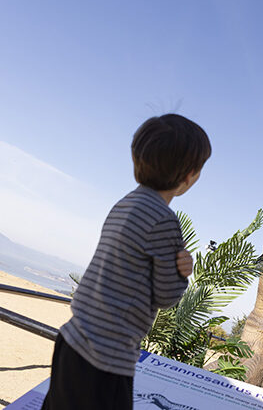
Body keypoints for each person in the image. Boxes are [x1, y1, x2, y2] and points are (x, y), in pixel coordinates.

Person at [41, 113, 211, 410]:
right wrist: (183, 272)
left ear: (137, 158)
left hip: (72, 340)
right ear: (190, 176)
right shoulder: (164, 221)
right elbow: (167, 296)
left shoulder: (124, 203)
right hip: (105, 361)